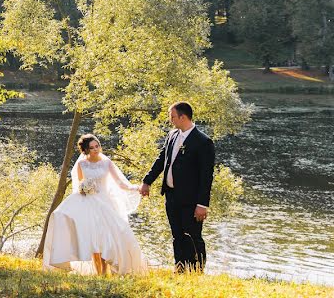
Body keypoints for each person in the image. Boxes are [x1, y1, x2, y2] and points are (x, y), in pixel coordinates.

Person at [43, 134, 148, 275]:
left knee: (108, 238)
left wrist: (135, 188)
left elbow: (120, 183)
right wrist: (83, 188)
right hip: (88, 204)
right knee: (93, 240)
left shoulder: (107, 163)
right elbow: (80, 184)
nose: (95, 149)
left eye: (97, 146)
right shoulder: (81, 164)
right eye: (91, 148)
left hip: (105, 204)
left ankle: (112, 268)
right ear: (85, 150)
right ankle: (100, 273)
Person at [140, 101, 215, 273]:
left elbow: (206, 177)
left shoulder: (203, 142)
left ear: (183, 117)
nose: (170, 120)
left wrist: (202, 205)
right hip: (171, 196)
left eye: (172, 116)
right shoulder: (172, 135)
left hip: (191, 200)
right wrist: (147, 181)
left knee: (193, 237)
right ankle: (180, 268)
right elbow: (161, 160)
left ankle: (197, 271)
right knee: (177, 235)